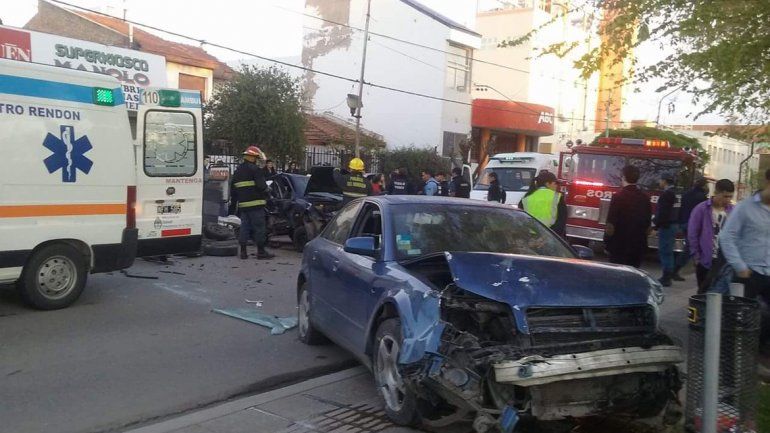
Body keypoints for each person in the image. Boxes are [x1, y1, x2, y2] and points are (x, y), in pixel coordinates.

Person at [719, 168, 770, 381]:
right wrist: (740, 265)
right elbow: (726, 237)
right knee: (734, 322)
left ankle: (755, 358)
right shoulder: (746, 207)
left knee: (764, 322)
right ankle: (728, 374)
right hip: (748, 273)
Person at [687, 179, 735, 292]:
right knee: (703, 292)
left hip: (725, 261)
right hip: (706, 260)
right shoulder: (702, 209)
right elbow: (692, 233)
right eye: (725, 196)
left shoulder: (733, 211)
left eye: (730, 197)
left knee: (722, 295)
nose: (727, 200)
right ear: (716, 192)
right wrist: (696, 256)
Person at [229, 146, 274, 260]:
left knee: (244, 228)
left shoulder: (238, 170)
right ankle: (261, 252)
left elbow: (233, 189)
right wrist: (268, 190)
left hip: (243, 205)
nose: (257, 160)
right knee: (259, 228)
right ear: (252, 157)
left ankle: (243, 253)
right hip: (256, 204)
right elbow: (262, 186)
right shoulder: (255, 170)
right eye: (256, 158)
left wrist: (235, 203)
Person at [605, 165, 652, 268]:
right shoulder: (645, 198)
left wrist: (607, 243)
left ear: (623, 177)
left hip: (619, 246)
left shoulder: (618, 197)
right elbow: (648, 225)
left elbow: (610, 225)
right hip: (637, 246)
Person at [674, 177, 710, 277]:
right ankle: (675, 269)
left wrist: (680, 221)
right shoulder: (702, 198)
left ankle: (675, 269)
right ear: (704, 186)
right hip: (694, 225)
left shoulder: (686, 194)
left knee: (688, 247)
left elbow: (681, 208)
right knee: (690, 248)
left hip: (684, 222)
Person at [520, 171, 567, 237]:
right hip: (550, 236)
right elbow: (561, 221)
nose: (556, 186)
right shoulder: (557, 197)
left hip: (530, 236)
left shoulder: (526, 197)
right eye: (555, 183)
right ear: (547, 184)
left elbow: (520, 219)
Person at [654, 173, 680, 287]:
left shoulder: (666, 194)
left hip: (667, 226)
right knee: (669, 251)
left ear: (664, 181)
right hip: (674, 224)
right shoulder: (677, 193)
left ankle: (666, 277)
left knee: (664, 251)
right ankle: (668, 274)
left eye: (661, 180)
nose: (659, 183)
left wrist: (655, 226)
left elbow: (663, 212)